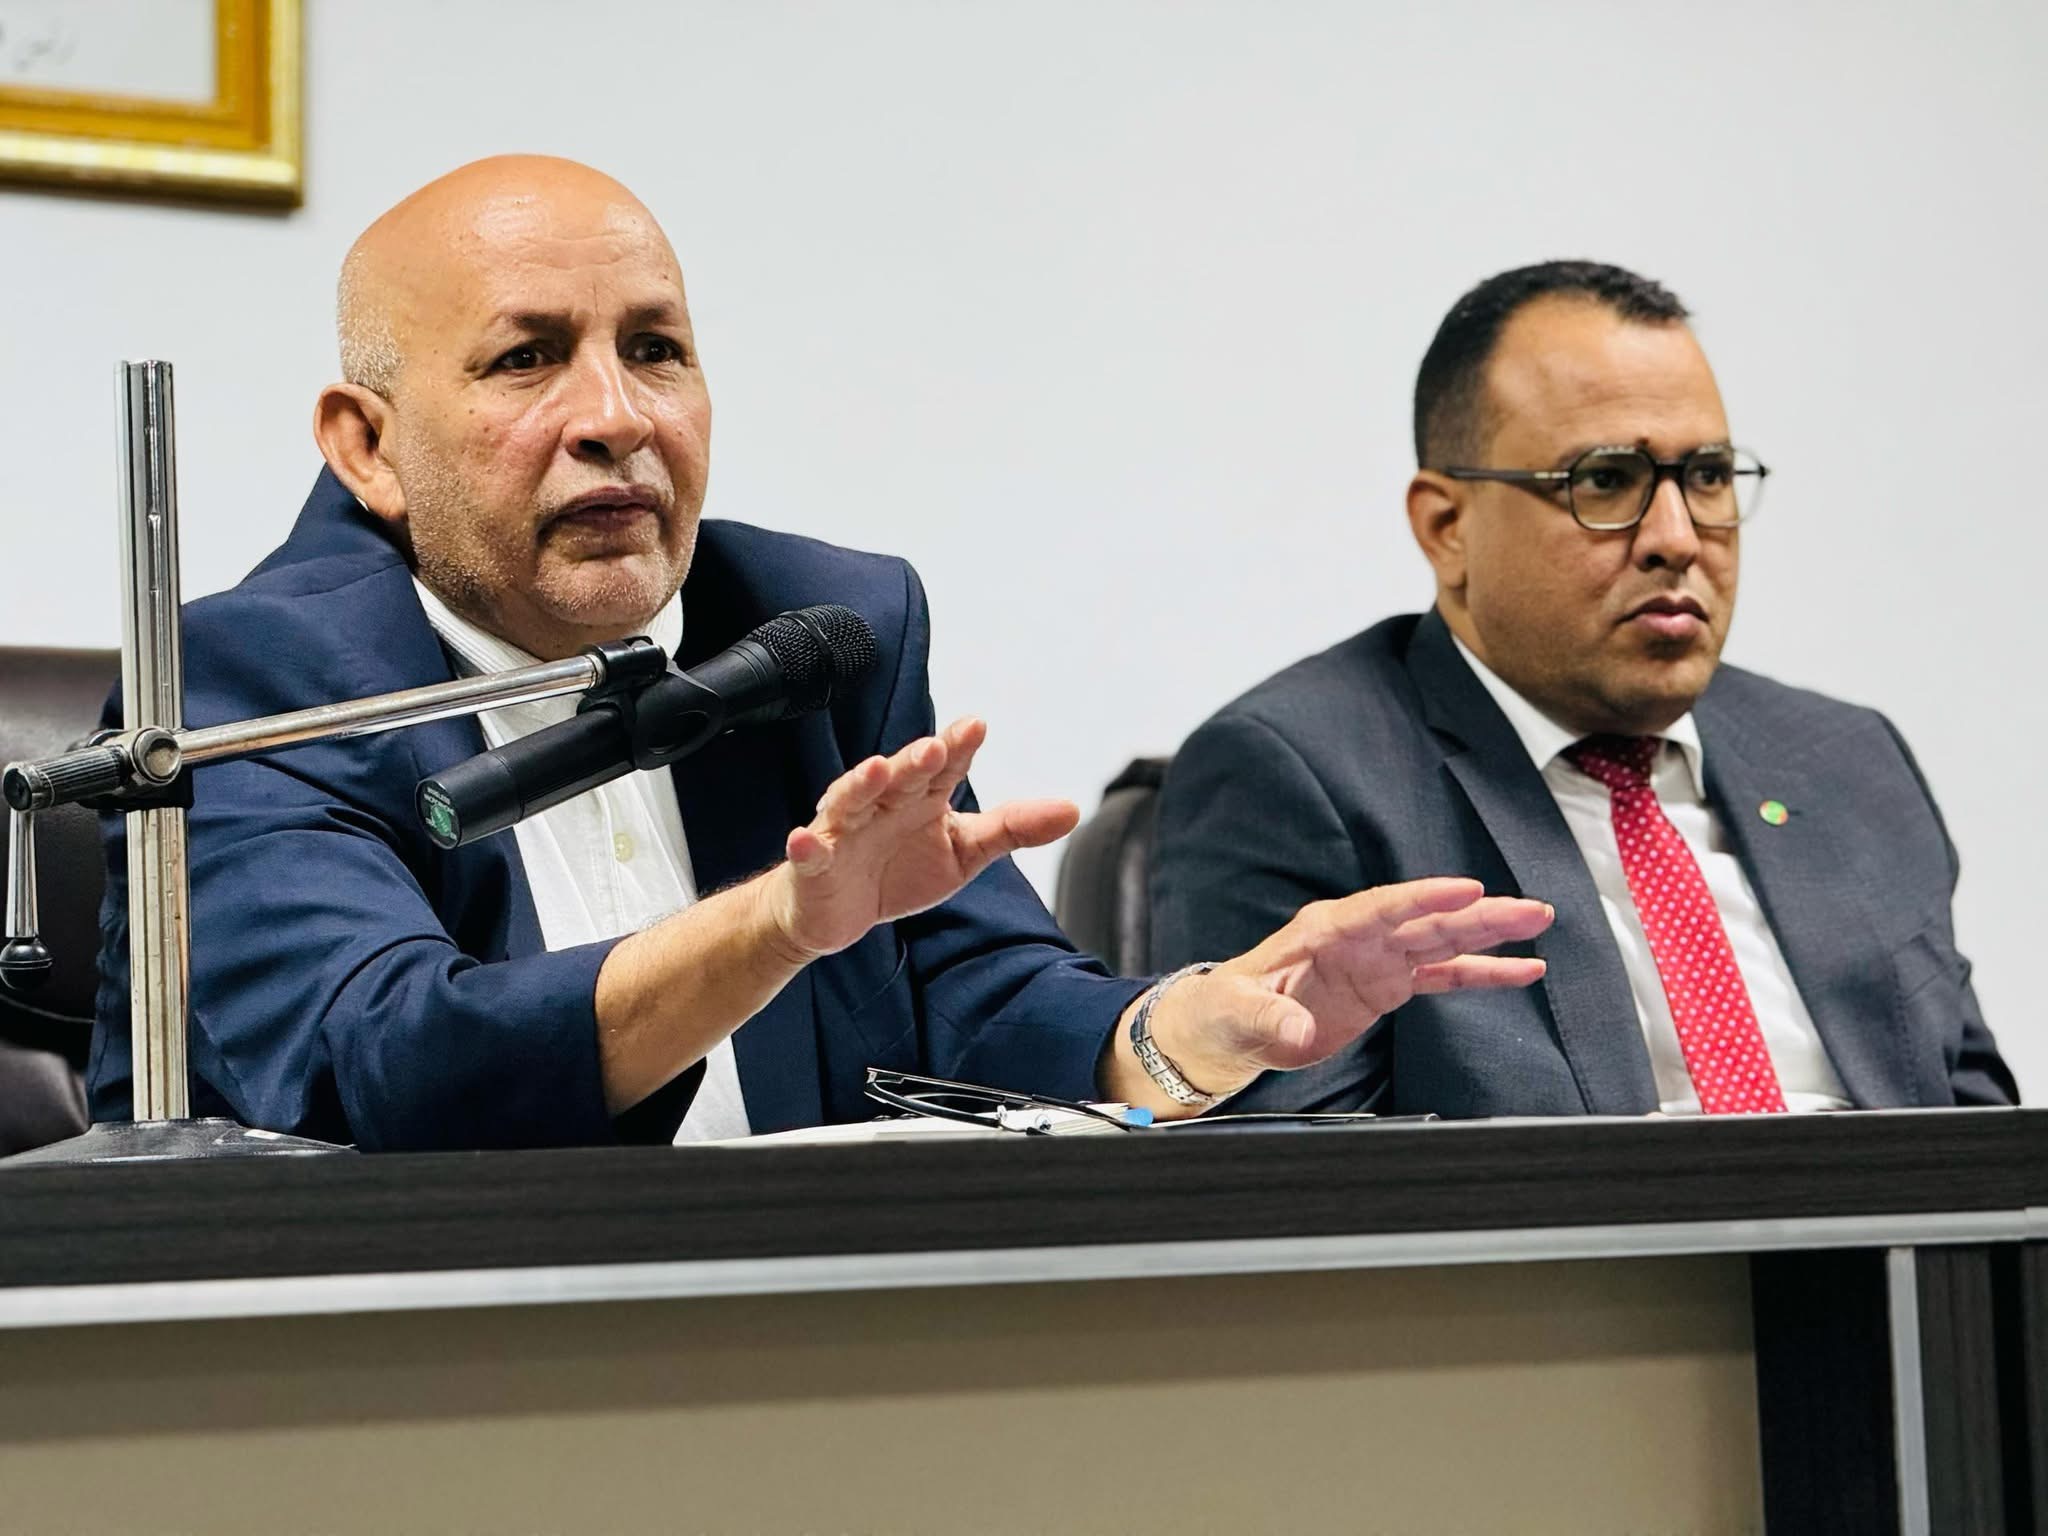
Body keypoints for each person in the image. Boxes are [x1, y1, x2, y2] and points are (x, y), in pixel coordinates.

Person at [87, 157, 1551, 1149]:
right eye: (526, 359)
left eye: (655, 350)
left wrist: (1191, 1029)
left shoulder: (806, 629)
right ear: (366, 446)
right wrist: (776, 925)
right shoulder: (243, 688)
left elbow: (978, 1001)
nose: (617, 417)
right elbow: (392, 1067)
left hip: (810, 1339)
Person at [1150, 260, 2016, 1118]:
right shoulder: (1298, 775)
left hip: (1892, 1211)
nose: (1677, 538)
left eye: (1707, 476)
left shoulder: (1846, 759)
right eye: (1605, 480)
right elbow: (1302, 1178)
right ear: (1447, 526)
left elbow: (1984, 1142)